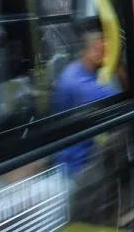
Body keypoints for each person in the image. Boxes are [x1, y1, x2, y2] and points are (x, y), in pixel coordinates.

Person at [51, 18, 120, 176]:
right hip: (75, 167)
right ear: (95, 49)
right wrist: (116, 66)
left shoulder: (73, 71)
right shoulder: (81, 84)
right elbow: (117, 102)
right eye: (103, 49)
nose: (105, 53)